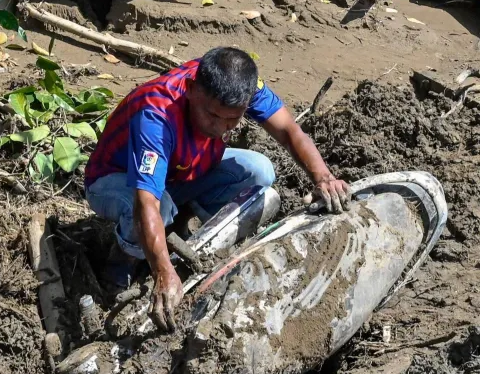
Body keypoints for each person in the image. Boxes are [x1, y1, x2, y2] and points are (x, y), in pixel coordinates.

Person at [84, 47, 351, 331]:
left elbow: (288, 130)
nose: (219, 126)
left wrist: (324, 178)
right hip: (115, 180)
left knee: (260, 171)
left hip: (181, 173)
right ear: (191, 90)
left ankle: (182, 227)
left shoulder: (241, 84)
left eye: (232, 119)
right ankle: (122, 261)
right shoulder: (156, 113)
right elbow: (145, 201)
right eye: (211, 115)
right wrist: (162, 273)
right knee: (158, 208)